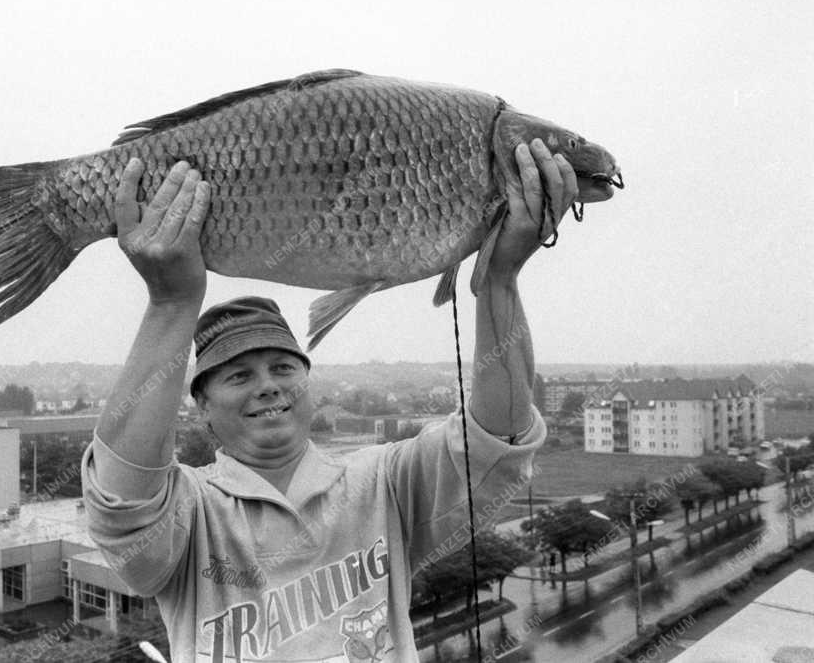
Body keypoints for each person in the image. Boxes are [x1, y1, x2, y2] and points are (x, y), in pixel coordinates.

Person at [82, 139, 579, 662]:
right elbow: (122, 501)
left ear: (310, 386)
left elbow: (498, 438)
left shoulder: (382, 484)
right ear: (201, 407)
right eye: (237, 376)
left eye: (282, 367)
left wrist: (500, 278)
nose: (267, 386)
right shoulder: (192, 511)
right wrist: (172, 302)